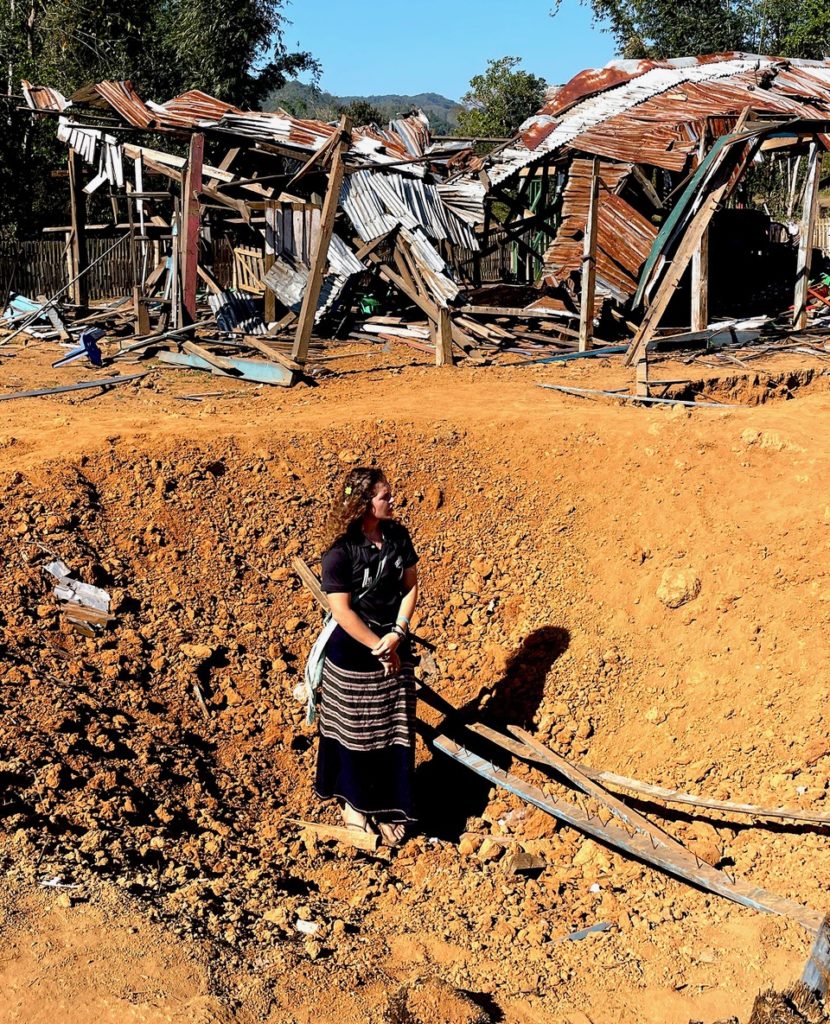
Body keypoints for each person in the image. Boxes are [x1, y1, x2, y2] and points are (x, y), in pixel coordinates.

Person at [314, 466, 419, 846]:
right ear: (364, 504)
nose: (393, 501)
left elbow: (410, 586)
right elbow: (341, 611)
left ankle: (389, 804)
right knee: (355, 734)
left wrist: (398, 632)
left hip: (395, 648)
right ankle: (354, 806)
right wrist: (378, 645)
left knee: (393, 731)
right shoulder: (340, 553)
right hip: (354, 657)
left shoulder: (397, 537)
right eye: (384, 497)